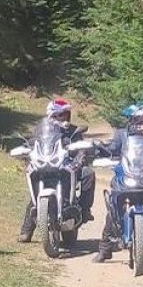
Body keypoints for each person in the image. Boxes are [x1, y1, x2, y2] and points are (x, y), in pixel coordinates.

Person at [92, 104, 143, 262]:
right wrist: (100, 149)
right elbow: (112, 148)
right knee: (114, 206)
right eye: (138, 118)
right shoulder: (122, 134)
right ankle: (105, 248)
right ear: (131, 119)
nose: (142, 122)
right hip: (126, 175)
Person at [18, 98, 95, 243]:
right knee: (36, 193)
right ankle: (26, 230)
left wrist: (79, 161)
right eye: (60, 115)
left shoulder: (73, 131)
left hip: (68, 167)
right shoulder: (41, 132)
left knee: (88, 173)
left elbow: (82, 149)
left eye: (65, 114)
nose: (63, 118)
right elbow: (31, 145)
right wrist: (27, 153)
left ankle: (85, 209)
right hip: (47, 166)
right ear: (51, 116)